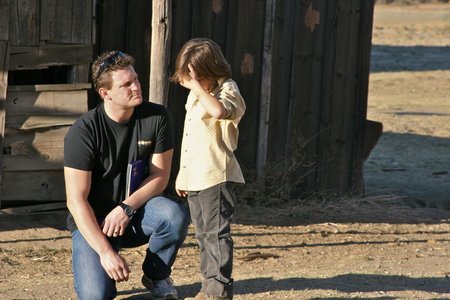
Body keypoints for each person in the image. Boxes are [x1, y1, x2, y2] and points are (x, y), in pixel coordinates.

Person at [64, 50, 189, 300]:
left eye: (136, 79)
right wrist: (105, 253)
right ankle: (104, 271)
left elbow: (160, 176)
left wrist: (126, 208)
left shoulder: (157, 117)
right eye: (126, 84)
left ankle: (156, 275)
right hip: (95, 223)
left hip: (136, 214)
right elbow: (76, 200)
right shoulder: (83, 132)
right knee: (95, 296)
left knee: (174, 214)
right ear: (105, 93)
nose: (136, 87)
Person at [171, 38, 246, 300]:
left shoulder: (228, 90)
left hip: (215, 175)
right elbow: (189, 136)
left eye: (196, 78)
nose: (191, 84)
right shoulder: (196, 94)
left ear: (212, 72)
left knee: (216, 234)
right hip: (195, 177)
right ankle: (208, 287)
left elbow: (218, 112)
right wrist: (183, 173)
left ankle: (219, 291)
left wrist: (197, 88)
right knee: (203, 235)